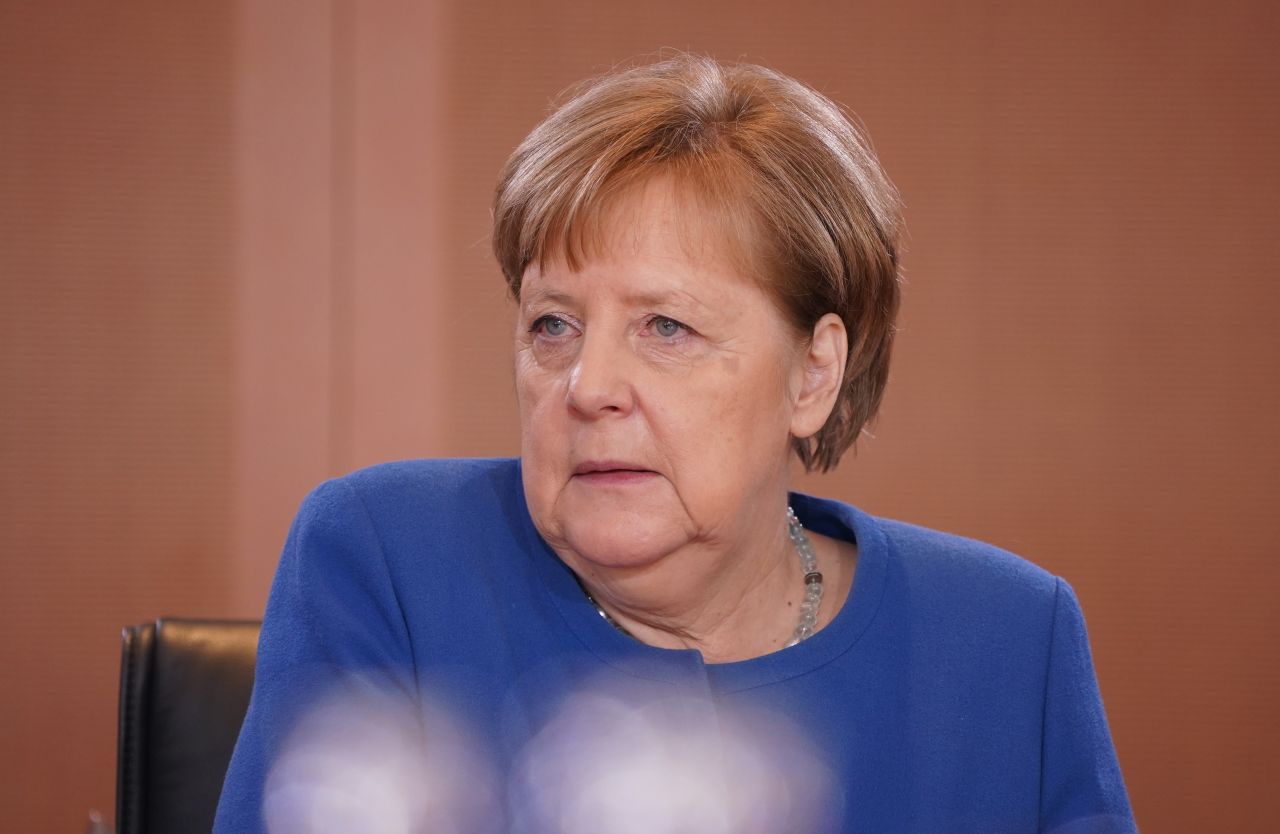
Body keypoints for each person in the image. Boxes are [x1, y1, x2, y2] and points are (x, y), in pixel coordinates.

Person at [215, 54, 1135, 833]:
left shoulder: (1010, 639)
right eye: (552, 326)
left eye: (665, 327)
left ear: (813, 375)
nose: (589, 388)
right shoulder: (386, 560)